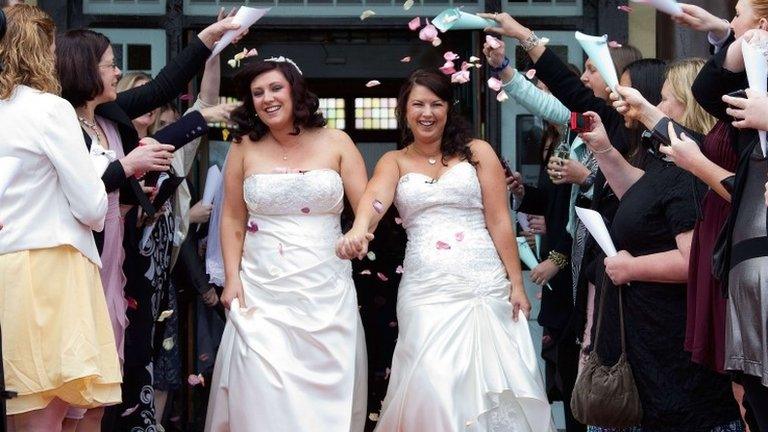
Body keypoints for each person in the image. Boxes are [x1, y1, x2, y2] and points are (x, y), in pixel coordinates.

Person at [337, 69, 553, 432]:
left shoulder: (478, 152)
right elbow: (375, 200)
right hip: (426, 287)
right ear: (404, 110)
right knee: (432, 377)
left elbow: (500, 221)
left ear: (448, 110)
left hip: (482, 282)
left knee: (492, 382)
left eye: (436, 104)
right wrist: (360, 230)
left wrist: (516, 282)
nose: (427, 112)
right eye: (418, 104)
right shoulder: (395, 161)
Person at [205, 57, 368, 432]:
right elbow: (232, 217)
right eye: (257, 93)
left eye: (275, 88)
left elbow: (367, 206)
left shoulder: (337, 142)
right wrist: (232, 279)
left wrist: (359, 232)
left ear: (295, 91)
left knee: (326, 392)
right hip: (262, 288)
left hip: (324, 286)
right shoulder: (244, 146)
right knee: (261, 383)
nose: (267, 99)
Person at [578, 104, 743, 431]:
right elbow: (641, 198)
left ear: (685, 109)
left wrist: (633, 268)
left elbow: (693, 258)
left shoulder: (690, 177)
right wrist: (603, 149)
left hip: (668, 351)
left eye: (665, 98)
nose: (655, 106)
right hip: (647, 342)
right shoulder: (666, 167)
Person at [0, 5, 120, 430]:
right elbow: (91, 205)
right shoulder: (50, 109)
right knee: (48, 420)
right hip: (52, 266)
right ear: (39, 51)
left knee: (19, 410)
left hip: (8, 266)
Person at [692, 15, 768, 426]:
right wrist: (738, 42)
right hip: (748, 261)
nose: (732, 20)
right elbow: (706, 91)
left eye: (738, 13)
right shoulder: (757, 81)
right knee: (754, 397)